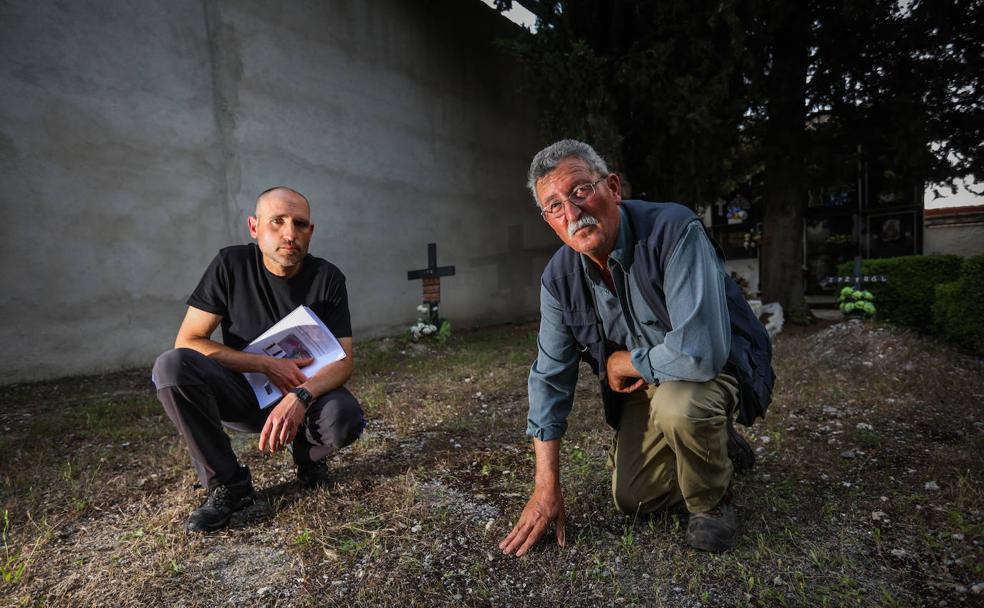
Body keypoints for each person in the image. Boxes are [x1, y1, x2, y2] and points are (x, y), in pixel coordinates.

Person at [499, 140, 773, 555]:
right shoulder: (557, 279)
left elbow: (700, 352)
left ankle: (711, 504)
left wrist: (626, 361)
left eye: (579, 191)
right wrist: (545, 487)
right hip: (651, 383)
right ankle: (715, 445)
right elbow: (549, 379)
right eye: (554, 206)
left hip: (714, 368)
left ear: (612, 187)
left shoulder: (674, 230)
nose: (572, 213)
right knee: (634, 498)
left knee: (680, 407)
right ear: (548, 220)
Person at [152, 186, 365, 533]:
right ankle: (228, 485)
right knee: (171, 365)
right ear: (254, 227)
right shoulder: (230, 265)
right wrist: (264, 364)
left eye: (300, 224)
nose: (289, 234)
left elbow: (343, 362)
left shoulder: (328, 278)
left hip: (306, 393)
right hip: (245, 394)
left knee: (345, 418)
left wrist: (300, 396)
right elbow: (188, 340)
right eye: (277, 222)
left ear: (310, 231)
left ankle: (309, 459)